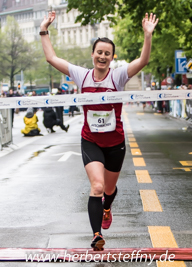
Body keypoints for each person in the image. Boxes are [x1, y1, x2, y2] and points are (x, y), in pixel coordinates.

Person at [40, 11, 158, 251]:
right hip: (90, 140)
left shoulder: (118, 76)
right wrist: (44, 29)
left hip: (115, 142)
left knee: (109, 189)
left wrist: (148, 36)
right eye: (99, 52)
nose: (102, 57)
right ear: (92, 54)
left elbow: (142, 62)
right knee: (97, 186)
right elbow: (52, 57)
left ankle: (107, 208)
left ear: (112, 57)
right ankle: (96, 235)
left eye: (107, 53)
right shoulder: (81, 75)